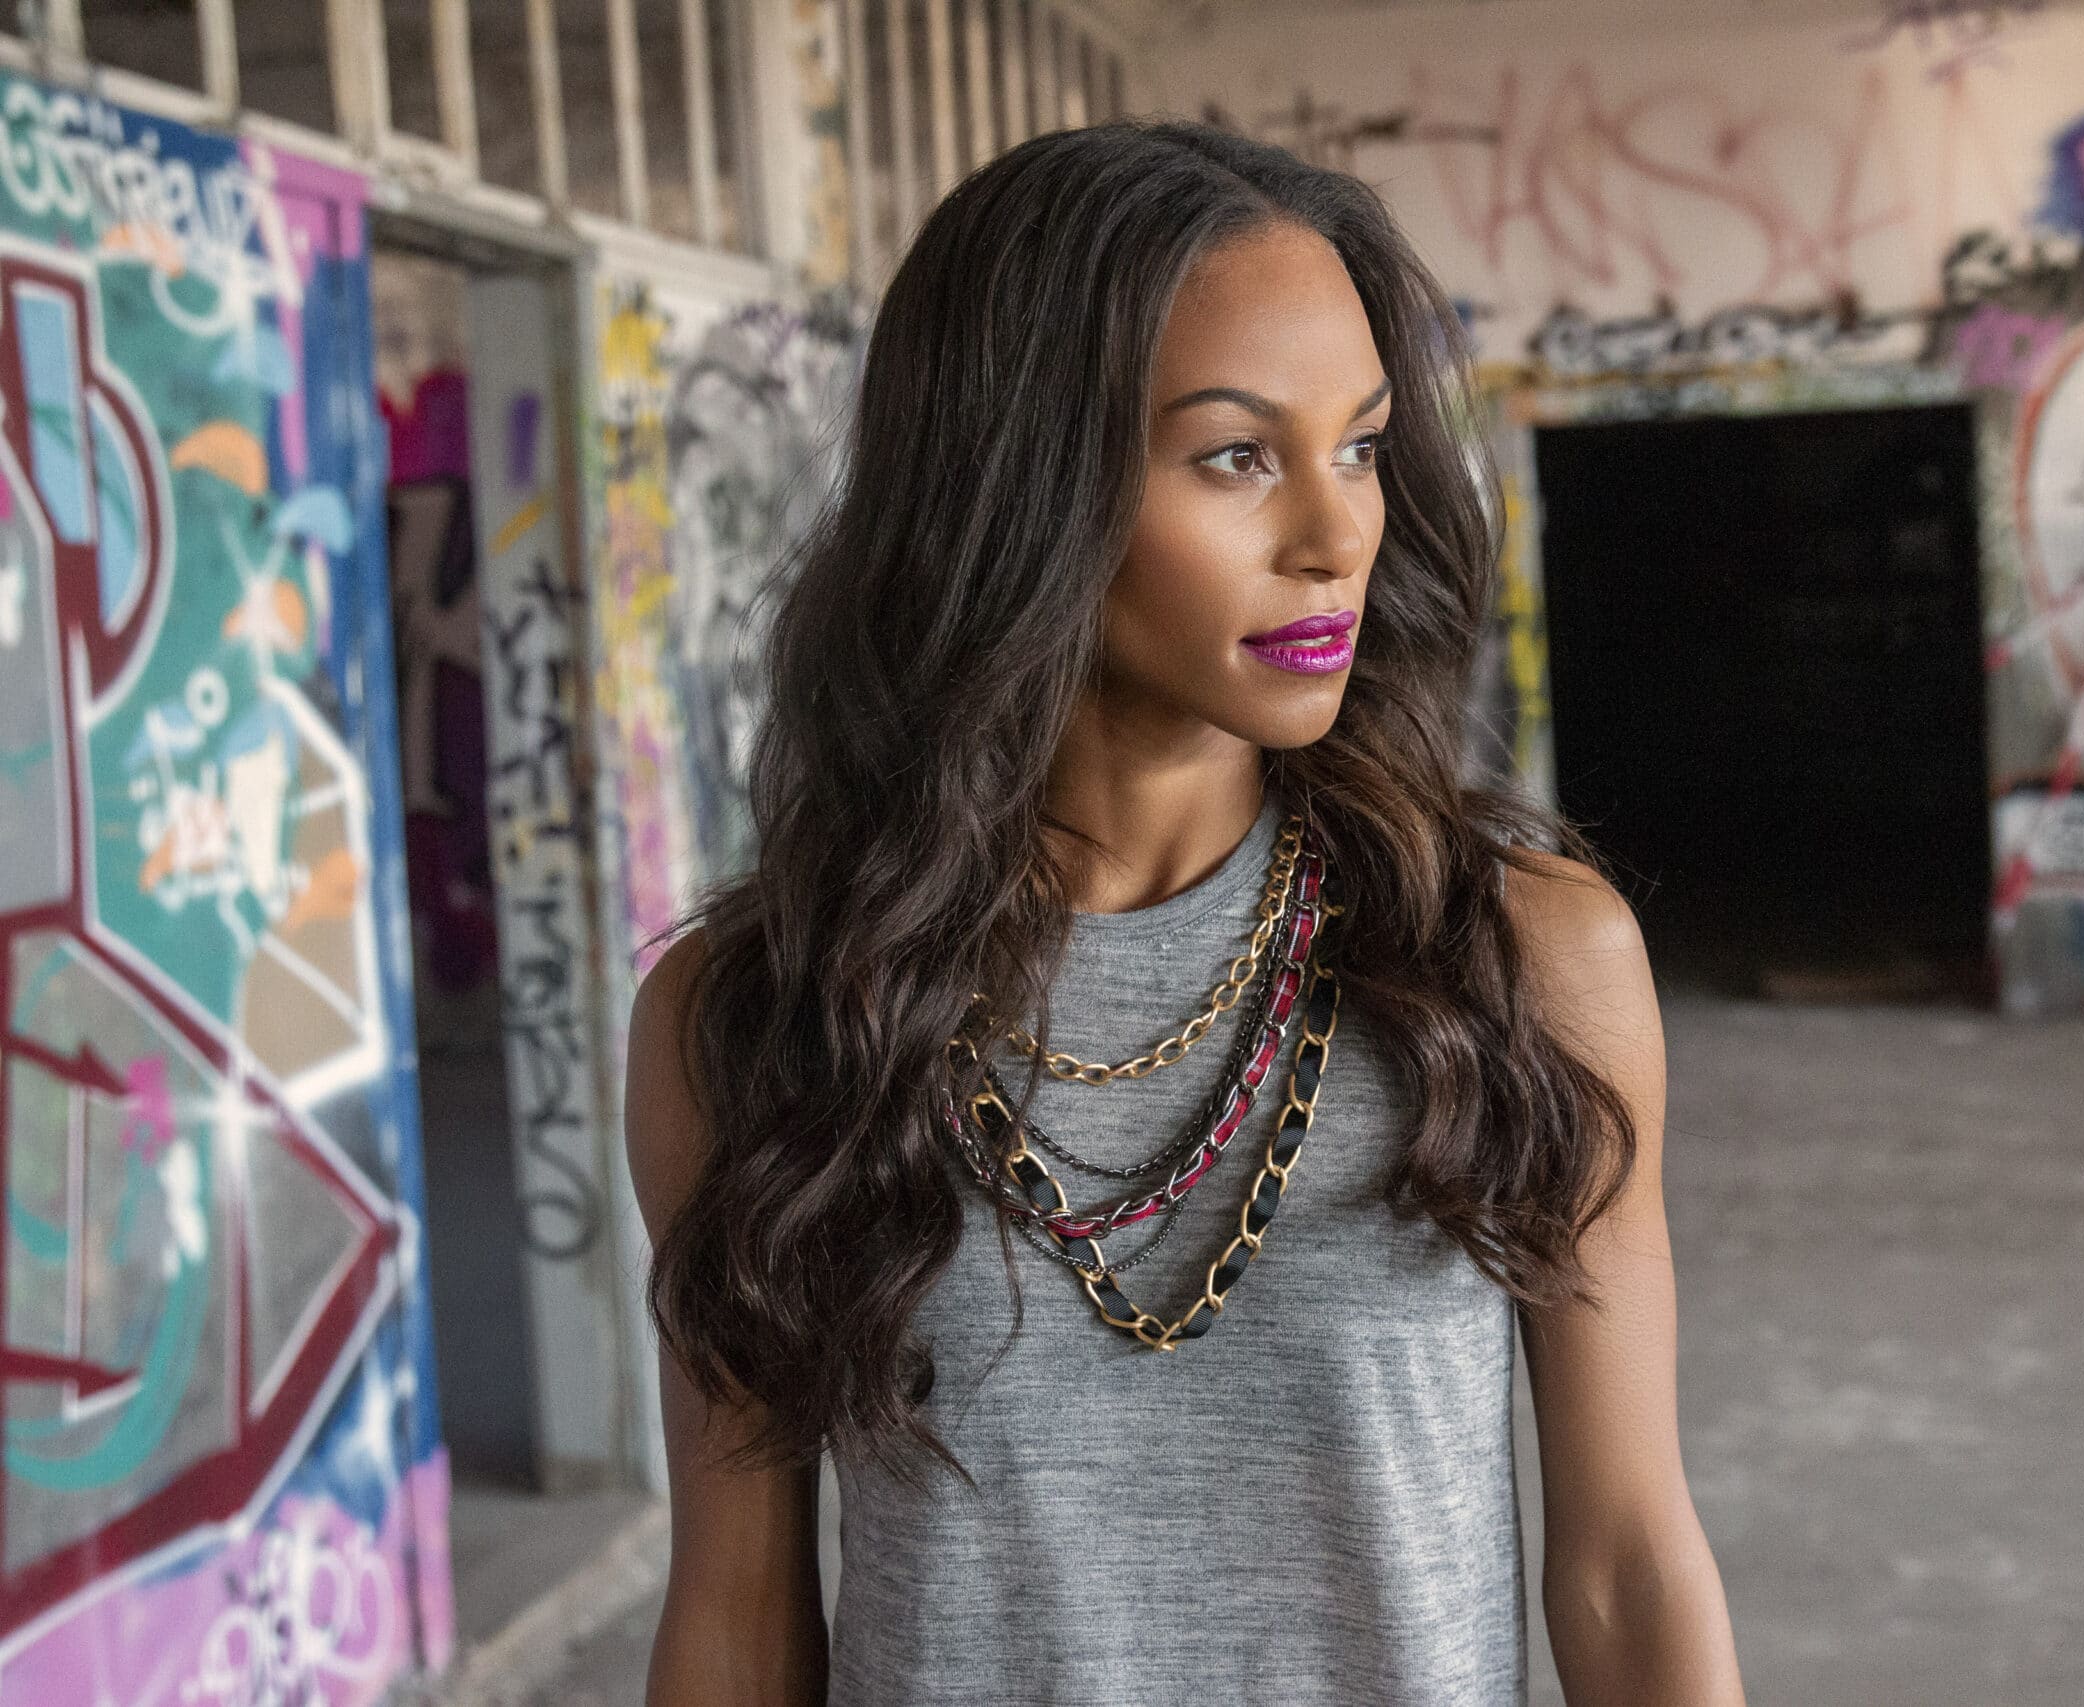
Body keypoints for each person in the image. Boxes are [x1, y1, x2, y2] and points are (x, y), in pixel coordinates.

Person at [621, 118, 1746, 1706]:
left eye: (1358, 445)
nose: (1337, 530)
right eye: (1237, 454)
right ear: (1019, 488)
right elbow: (737, 1620)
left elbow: (1629, 1566)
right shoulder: (758, 1019)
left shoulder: (1520, 960)